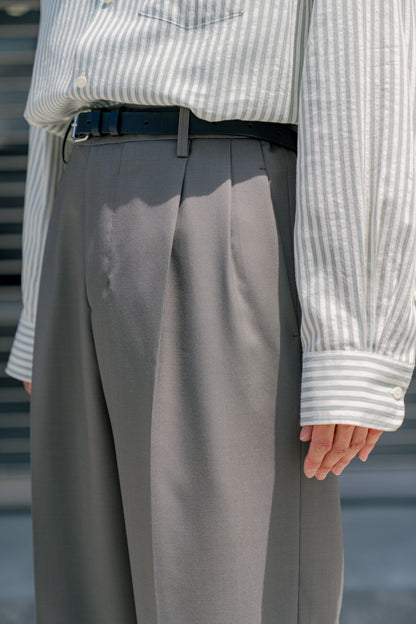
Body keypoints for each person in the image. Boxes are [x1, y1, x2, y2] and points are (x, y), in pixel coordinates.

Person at [5, 1, 416, 623]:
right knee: (80, 595)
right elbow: (61, 83)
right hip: (79, 190)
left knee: (221, 596)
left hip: (214, 192)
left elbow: (367, 73)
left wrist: (355, 338)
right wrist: (40, 305)